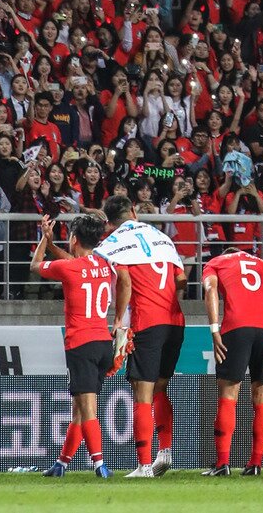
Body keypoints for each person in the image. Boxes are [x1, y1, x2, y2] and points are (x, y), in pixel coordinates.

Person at [101, 196, 187, 478]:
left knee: (142, 392)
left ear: (109, 223)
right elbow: (181, 279)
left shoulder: (115, 243)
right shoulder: (162, 237)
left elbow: (123, 281)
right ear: (135, 211)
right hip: (174, 321)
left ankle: (144, 465)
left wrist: (118, 321)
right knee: (161, 389)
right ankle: (165, 452)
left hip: (147, 322)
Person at [31, 210, 115, 479]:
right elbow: (74, 260)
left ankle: (99, 464)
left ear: (75, 238)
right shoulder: (102, 264)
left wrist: (45, 241)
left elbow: (36, 265)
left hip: (81, 343)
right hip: (104, 342)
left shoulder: (69, 268)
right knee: (79, 409)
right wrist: (54, 243)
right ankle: (62, 463)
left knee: (87, 408)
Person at [201, 242, 263, 475]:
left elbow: (210, 290)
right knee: (262, 395)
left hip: (236, 327)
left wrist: (214, 330)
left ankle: (222, 464)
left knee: (229, 394)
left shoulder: (216, 263)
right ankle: (256, 463)